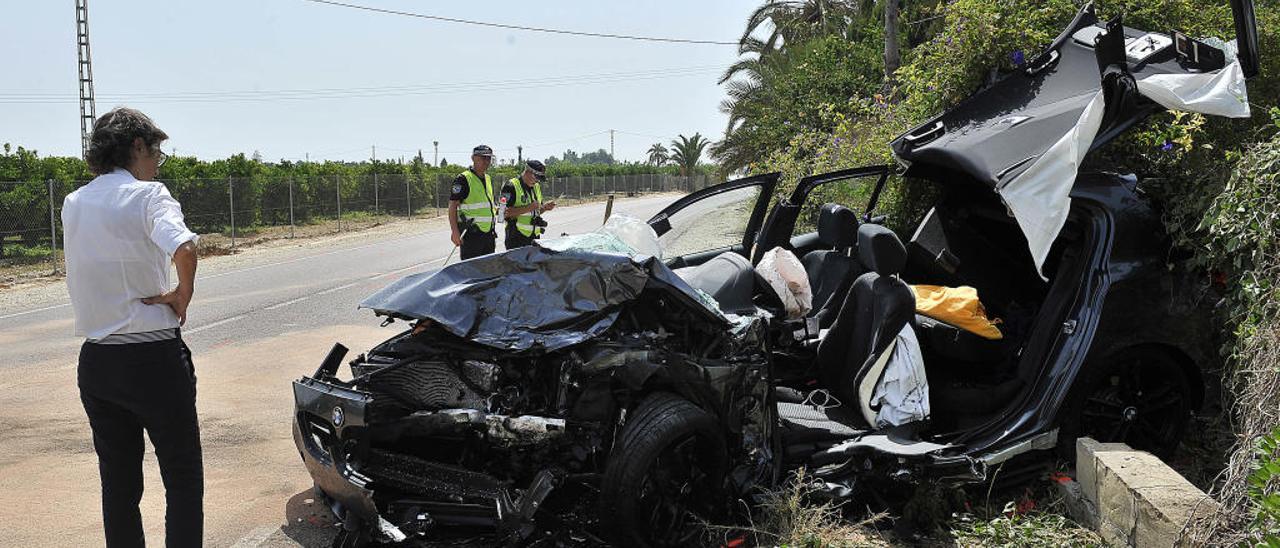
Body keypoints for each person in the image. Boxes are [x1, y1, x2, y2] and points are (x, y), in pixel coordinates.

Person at [63, 107, 203, 547]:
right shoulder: (149, 196)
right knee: (181, 478)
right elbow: (183, 246)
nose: (158, 160)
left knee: (119, 487)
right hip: (154, 358)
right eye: (156, 150)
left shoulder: (74, 202)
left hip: (99, 362)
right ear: (136, 146)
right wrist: (182, 293)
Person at [448, 145, 498, 260]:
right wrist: (455, 231)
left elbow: (486, 203)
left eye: (489, 158)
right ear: (473, 158)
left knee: (487, 270)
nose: (486, 161)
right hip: (472, 235)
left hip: (489, 234)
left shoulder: (488, 178)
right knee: (471, 273)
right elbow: (452, 206)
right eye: (483, 158)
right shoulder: (463, 179)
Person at [501, 160, 556, 249]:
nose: (537, 181)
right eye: (536, 177)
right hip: (516, 240)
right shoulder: (510, 186)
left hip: (534, 239)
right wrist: (528, 208)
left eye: (539, 179)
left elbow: (535, 211)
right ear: (528, 172)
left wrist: (544, 208)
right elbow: (501, 213)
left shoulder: (536, 187)